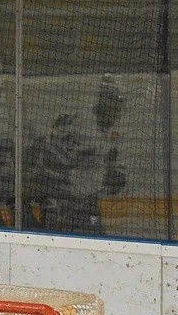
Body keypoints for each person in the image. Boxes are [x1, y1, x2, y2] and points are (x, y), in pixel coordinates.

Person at [22, 74, 127, 235]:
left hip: (85, 204)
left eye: (121, 104)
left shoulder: (108, 132)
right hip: (64, 206)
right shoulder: (81, 125)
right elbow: (48, 155)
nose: (119, 110)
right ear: (105, 101)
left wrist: (109, 174)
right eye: (116, 103)